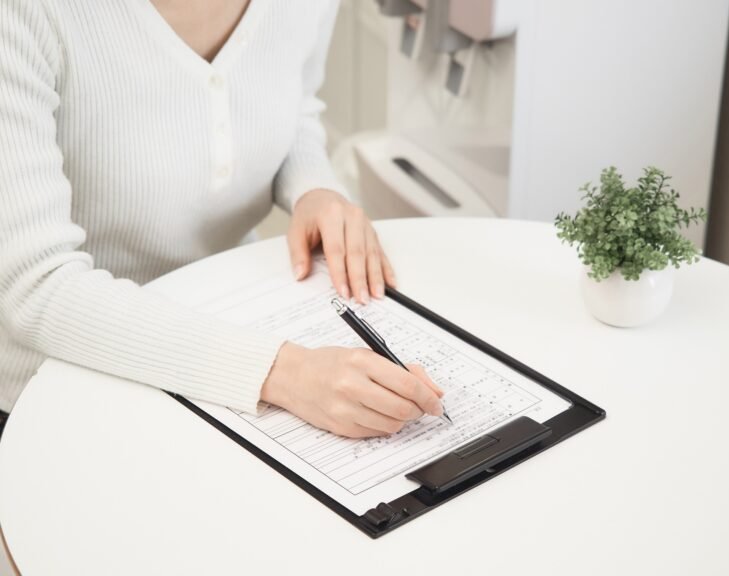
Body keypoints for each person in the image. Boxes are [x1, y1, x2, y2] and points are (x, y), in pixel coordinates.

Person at [0, 0, 444, 440]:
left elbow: (295, 106)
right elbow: (36, 287)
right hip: (54, 389)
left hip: (233, 341)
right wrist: (283, 372)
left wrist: (314, 189)